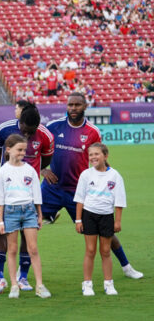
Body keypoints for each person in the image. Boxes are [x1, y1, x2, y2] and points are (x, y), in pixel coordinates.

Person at [41, 93, 143, 279]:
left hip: (79, 192)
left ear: (85, 106)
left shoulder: (92, 131)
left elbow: (99, 156)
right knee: (27, 222)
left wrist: (109, 174)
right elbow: (36, 147)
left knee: (104, 231)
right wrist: (42, 169)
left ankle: (127, 267)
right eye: (70, 104)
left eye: (77, 105)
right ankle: (21, 275)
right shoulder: (53, 126)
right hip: (51, 188)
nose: (73, 108)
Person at [0, 102, 53, 294]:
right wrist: (10, 169)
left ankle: (23, 277)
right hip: (8, 193)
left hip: (28, 195)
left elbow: (46, 159)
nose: (27, 135)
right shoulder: (4, 129)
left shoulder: (45, 135)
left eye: (31, 132)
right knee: (0, 233)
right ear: (20, 122)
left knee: (29, 239)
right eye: (25, 130)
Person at [74, 143, 126, 296]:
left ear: (105, 156)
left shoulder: (115, 176)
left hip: (106, 216)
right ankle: (87, 284)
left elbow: (119, 200)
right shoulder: (86, 175)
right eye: (91, 155)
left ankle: (108, 284)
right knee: (90, 250)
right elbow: (80, 199)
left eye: (96, 154)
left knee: (105, 251)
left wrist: (117, 221)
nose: (93, 157)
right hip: (89, 215)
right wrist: (78, 220)